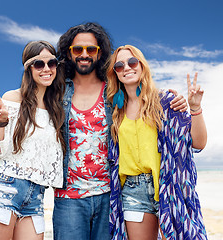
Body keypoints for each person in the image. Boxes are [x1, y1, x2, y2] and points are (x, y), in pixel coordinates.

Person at [52, 22, 188, 240]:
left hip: (110, 195)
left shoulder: (113, 93)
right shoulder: (57, 92)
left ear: (100, 53)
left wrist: (177, 102)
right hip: (68, 198)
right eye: (78, 49)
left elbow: (143, 98)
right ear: (69, 54)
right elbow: (31, 93)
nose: (84, 54)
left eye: (91, 49)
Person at [106, 45, 207, 239]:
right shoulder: (115, 112)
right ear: (115, 74)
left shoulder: (166, 102)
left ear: (142, 66)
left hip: (169, 186)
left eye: (132, 62)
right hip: (132, 192)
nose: (126, 67)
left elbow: (198, 143)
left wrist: (195, 108)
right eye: (119, 66)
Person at [0, 40, 66, 240]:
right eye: (39, 64)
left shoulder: (56, 108)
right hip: (2, 187)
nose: (46, 69)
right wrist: (0, 123)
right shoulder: (13, 98)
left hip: (36, 197)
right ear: (28, 68)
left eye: (51, 63)